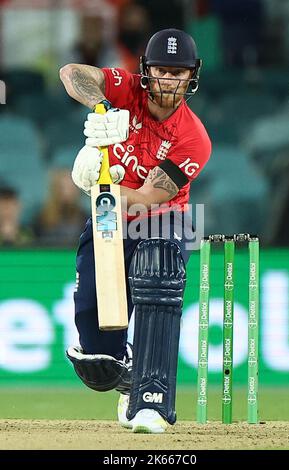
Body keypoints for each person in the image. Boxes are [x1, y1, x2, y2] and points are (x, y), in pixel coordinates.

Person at [60, 28, 211, 433]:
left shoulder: (194, 139)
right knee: (98, 352)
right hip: (108, 218)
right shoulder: (125, 89)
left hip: (162, 216)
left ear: (192, 76)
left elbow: (147, 196)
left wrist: (98, 183)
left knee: (157, 264)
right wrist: (103, 107)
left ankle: (151, 398)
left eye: (177, 73)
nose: (168, 80)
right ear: (145, 70)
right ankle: (126, 372)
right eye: (161, 69)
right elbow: (72, 72)